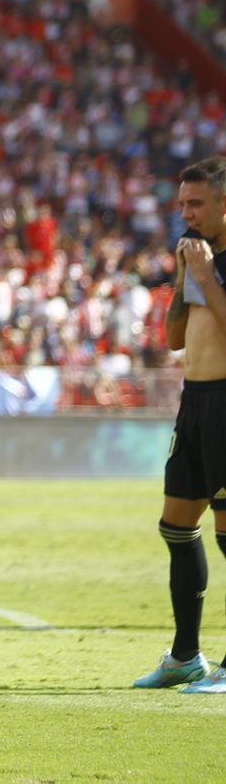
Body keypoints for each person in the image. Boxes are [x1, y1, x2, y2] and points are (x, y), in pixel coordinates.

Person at [134, 155, 226, 694]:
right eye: (182, 204)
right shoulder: (196, 254)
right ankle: (186, 656)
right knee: (177, 525)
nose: (186, 214)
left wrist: (208, 271)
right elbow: (174, 337)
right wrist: (185, 276)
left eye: (197, 203)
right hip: (197, 400)